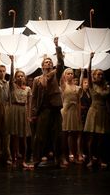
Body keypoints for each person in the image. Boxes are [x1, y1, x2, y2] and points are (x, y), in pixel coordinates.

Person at [31, 37, 66, 168]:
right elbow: (34, 98)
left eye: (50, 62)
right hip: (43, 109)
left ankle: (59, 158)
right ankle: (36, 159)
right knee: (39, 136)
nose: (48, 63)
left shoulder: (56, 74)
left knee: (58, 135)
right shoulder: (37, 79)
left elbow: (61, 63)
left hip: (55, 108)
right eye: (46, 62)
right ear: (42, 65)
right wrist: (33, 114)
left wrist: (57, 46)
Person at [84, 52, 110, 169]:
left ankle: (100, 158)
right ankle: (90, 159)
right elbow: (88, 71)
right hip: (93, 111)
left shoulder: (106, 86)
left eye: (101, 74)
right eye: (98, 74)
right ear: (94, 76)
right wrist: (90, 59)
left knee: (101, 138)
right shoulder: (92, 85)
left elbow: (107, 101)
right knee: (91, 138)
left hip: (103, 111)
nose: (100, 76)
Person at [8, 56, 33, 168]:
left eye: (22, 75)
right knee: (15, 137)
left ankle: (23, 160)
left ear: (24, 77)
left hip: (23, 111)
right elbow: (11, 76)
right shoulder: (12, 86)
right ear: (15, 77)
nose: (20, 77)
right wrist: (12, 62)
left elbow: (29, 104)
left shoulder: (28, 89)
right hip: (14, 111)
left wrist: (29, 116)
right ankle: (13, 160)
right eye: (18, 76)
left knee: (24, 139)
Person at [60, 67, 83, 165]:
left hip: (74, 112)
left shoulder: (77, 88)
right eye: (68, 73)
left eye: (71, 73)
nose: (70, 75)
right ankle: (65, 157)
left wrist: (79, 114)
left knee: (74, 134)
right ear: (64, 75)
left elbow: (78, 102)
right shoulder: (63, 86)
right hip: (66, 111)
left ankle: (75, 155)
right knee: (66, 134)